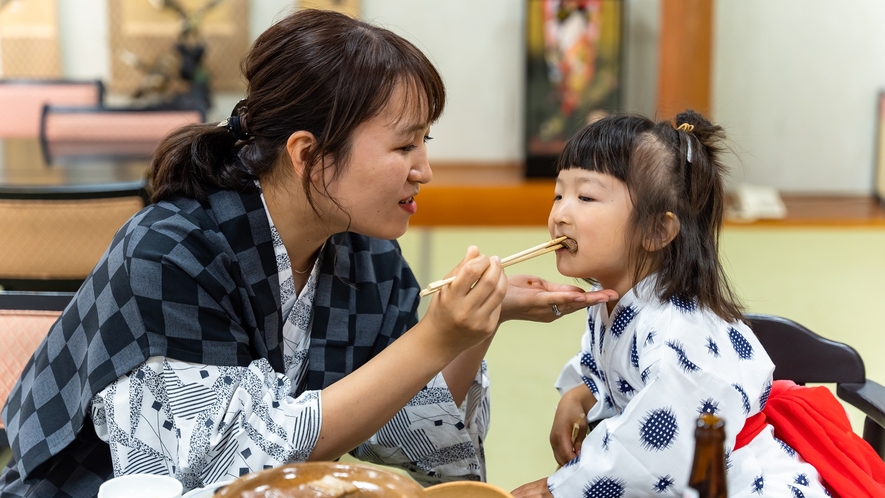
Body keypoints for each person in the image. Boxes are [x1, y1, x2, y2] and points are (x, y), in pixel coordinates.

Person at [0, 9, 616, 497]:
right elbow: (219, 469)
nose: (424, 169)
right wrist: (433, 339)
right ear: (307, 155)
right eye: (404, 146)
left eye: (425, 142)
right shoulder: (171, 250)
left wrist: (473, 328)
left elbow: (407, 442)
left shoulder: (364, 254)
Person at [512, 111, 833, 497]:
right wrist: (578, 395)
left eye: (586, 196)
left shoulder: (675, 333)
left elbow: (650, 455)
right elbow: (605, 368)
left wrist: (555, 489)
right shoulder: (610, 299)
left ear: (656, 230)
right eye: (559, 194)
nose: (560, 214)